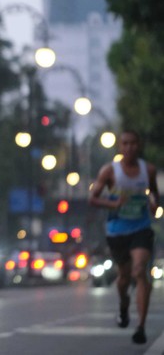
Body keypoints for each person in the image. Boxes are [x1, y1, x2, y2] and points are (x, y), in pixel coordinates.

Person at [89, 129, 160, 344]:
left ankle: (140, 327)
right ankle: (123, 303)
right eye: (125, 143)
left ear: (139, 146)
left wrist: (154, 203)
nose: (129, 147)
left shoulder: (148, 170)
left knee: (140, 271)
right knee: (124, 277)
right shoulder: (109, 171)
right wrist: (113, 204)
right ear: (120, 147)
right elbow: (93, 198)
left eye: (133, 143)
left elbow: (154, 193)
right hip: (117, 231)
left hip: (141, 228)